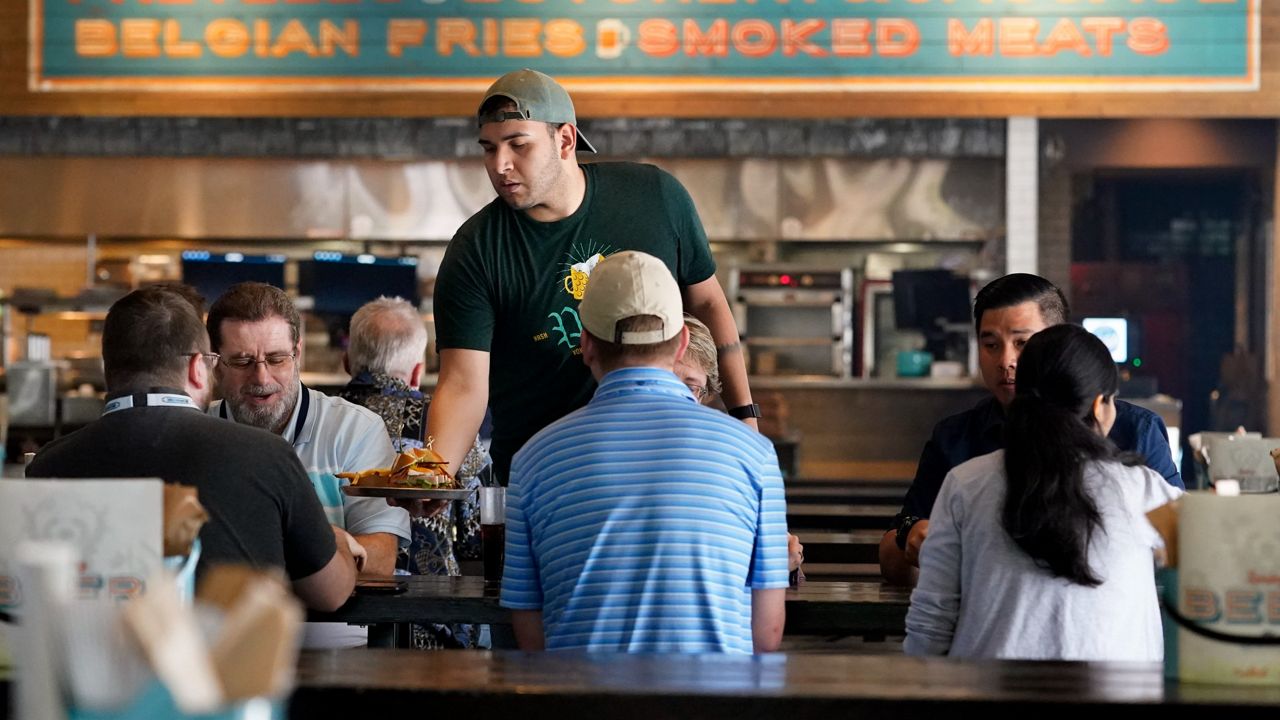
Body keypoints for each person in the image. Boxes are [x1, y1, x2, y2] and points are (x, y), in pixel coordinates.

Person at [429, 68, 757, 487]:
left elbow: (709, 304)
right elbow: (461, 384)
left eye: (518, 145)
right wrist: (435, 475)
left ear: (565, 139)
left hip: (659, 464)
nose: (500, 165)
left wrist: (745, 415)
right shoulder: (476, 249)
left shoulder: (654, 197)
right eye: (489, 148)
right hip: (543, 477)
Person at [500, 251, 789, 653]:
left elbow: (530, 632)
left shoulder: (532, 459)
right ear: (682, 342)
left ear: (585, 345)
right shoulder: (755, 454)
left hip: (578, 705)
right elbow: (767, 633)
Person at [27, 286, 357, 612]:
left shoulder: (47, 466)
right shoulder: (267, 454)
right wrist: (339, 542)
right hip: (232, 664)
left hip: (86, 665)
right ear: (199, 368)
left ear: (107, 369)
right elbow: (329, 594)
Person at [880, 274, 1184, 586]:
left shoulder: (1135, 430)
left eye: (1022, 343)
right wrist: (910, 539)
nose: (1006, 361)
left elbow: (1180, 545)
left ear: (1059, 343)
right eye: (990, 344)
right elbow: (892, 558)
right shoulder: (955, 439)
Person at [904, 324, 1182, 659]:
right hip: (1119, 700)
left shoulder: (966, 482)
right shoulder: (1142, 489)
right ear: (1099, 406)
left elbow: (931, 622)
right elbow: (1209, 558)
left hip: (985, 702)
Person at [205, 282, 410, 647]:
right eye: (242, 362)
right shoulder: (198, 432)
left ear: (298, 353)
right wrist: (330, 546)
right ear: (214, 364)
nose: (262, 378)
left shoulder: (353, 429)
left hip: (333, 645)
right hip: (223, 647)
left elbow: (381, 556)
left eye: (277, 358)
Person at [339, 295, 488, 649]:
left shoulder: (326, 418)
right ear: (418, 372)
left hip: (341, 615)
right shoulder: (452, 428)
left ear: (346, 362)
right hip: (435, 624)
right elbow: (475, 542)